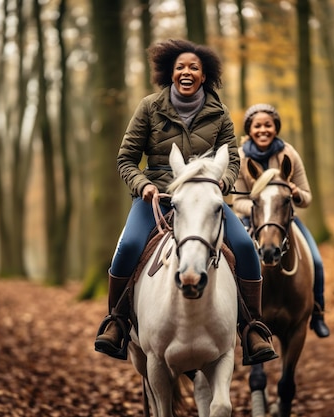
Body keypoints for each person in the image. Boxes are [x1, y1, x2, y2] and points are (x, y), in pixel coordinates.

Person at [94, 39, 278, 366]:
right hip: (158, 196)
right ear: (171, 73)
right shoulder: (149, 107)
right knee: (129, 246)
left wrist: (223, 179)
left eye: (194, 67)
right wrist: (143, 185)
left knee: (246, 248)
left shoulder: (219, 113)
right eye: (181, 67)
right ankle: (117, 322)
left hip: (205, 196)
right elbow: (126, 159)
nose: (187, 72)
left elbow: (232, 158)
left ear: (204, 76)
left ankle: (252, 327)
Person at [233, 103, 330, 338]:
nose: (263, 130)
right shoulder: (240, 157)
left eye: (268, 125)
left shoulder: (289, 153)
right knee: (233, 264)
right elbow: (237, 201)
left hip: (285, 221)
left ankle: (317, 313)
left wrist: (294, 193)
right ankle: (236, 317)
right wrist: (260, 208)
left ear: (276, 128)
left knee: (316, 261)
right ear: (250, 129)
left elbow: (306, 198)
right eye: (257, 126)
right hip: (252, 222)